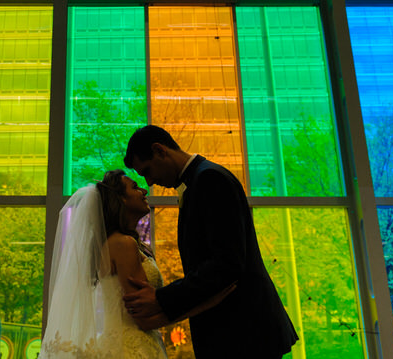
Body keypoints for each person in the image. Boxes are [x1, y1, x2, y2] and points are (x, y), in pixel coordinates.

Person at [122, 125, 298, 359]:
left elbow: (227, 264)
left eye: (147, 171)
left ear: (160, 150)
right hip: (234, 330)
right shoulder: (199, 180)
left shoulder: (209, 179)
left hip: (243, 331)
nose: (150, 181)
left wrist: (161, 299)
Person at [40, 170, 167, 359]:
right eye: (135, 187)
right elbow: (141, 315)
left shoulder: (113, 243)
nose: (144, 191)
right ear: (120, 199)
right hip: (131, 347)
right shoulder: (123, 244)